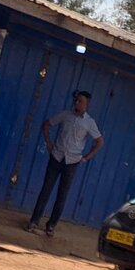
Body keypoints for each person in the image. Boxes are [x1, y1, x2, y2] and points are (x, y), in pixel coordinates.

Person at [26, 90, 104, 237]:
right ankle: (34, 221)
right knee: (45, 190)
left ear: (87, 104)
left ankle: (51, 225)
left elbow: (99, 142)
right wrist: (49, 144)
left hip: (72, 162)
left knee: (62, 195)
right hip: (56, 157)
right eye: (76, 100)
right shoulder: (65, 115)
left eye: (80, 101)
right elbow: (46, 124)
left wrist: (86, 157)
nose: (77, 103)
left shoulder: (89, 122)